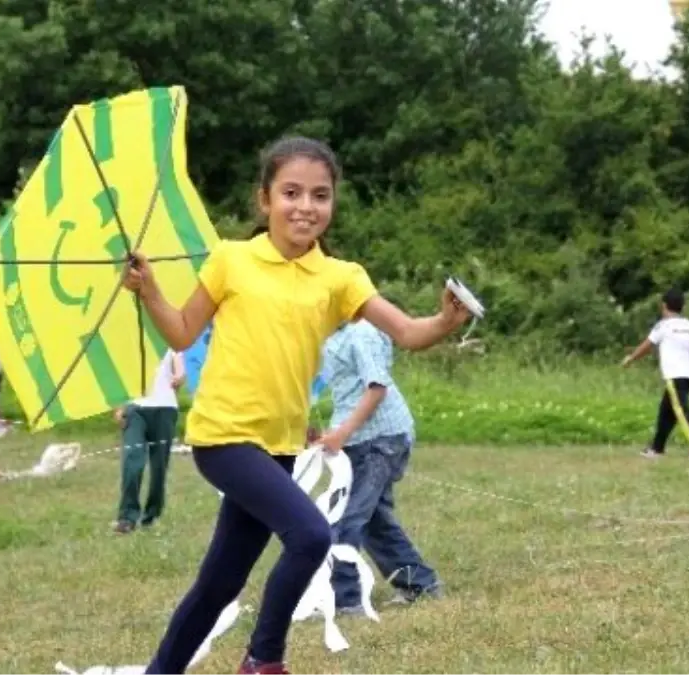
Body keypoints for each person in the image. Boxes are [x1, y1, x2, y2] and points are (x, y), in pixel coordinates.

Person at [121, 136, 471, 675]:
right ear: (264, 200)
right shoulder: (230, 259)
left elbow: (406, 330)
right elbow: (184, 332)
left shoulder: (341, 277)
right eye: (291, 193)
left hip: (280, 442)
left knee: (220, 582)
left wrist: (445, 321)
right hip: (223, 435)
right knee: (310, 535)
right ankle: (263, 660)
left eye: (320, 195)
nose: (306, 206)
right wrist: (149, 293)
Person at [318, 319, 442, 615]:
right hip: (361, 439)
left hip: (381, 439)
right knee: (374, 519)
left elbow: (377, 388)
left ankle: (346, 599)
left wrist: (342, 433)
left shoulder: (361, 333)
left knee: (346, 518)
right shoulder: (329, 334)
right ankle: (419, 583)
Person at [621, 288, 689, 459]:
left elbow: (648, 345)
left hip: (673, 375)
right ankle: (657, 447)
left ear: (664, 305)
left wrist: (631, 359)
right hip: (687, 375)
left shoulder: (663, 326)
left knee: (681, 410)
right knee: (666, 412)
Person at [114, 348, 185, 534]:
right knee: (132, 459)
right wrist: (120, 407)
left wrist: (179, 376)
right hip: (135, 409)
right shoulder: (129, 341)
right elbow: (118, 379)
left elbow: (180, 370)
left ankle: (152, 516)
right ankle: (127, 517)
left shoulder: (170, 344)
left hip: (164, 409)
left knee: (159, 466)